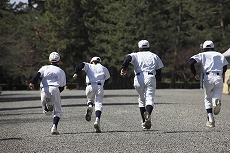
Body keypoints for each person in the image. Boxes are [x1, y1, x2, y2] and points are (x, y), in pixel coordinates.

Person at [120, 40, 164, 130]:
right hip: (150, 77)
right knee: (150, 98)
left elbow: (128, 58)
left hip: (138, 78)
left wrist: (124, 68)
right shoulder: (154, 56)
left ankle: (144, 121)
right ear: (149, 47)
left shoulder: (136, 55)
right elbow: (159, 71)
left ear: (139, 48)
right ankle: (147, 113)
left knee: (141, 99)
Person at [189, 40, 228, 128]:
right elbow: (225, 66)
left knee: (207, 98)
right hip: (218, 76)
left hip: (208, 77)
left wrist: (195, 73)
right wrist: (221, 74)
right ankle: (216, 101)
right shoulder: (220, 54)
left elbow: (191, 62)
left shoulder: (202, 55)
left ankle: (210, 120)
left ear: (204, 48)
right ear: (213, 47)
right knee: (216, 95)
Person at [29, 52, 66, 134]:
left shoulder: (44, 68)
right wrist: (56, 93)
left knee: (47, 113)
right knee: (58, 110)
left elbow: (37, 75)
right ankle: (54, 127)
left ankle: (47, 108)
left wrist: (32, 82)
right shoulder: (61, 71)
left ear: (49, 60)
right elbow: (62, 86)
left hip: (44, 88)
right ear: (59, 60)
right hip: (55, 88)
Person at [73, 56, 110, 133]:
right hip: (99, 86)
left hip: (89, 86)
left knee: (90, 100)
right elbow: (108, 79)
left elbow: (81, 65)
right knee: (98, 103)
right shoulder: (104, 68)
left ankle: (90, 106)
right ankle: (97, 120)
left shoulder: (89, 65)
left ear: (92, 61)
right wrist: (102, 84)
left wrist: (76, 73)